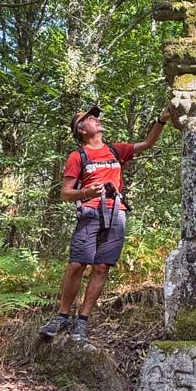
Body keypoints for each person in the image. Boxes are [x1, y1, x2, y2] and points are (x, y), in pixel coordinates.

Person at [39, 105, 169, 341]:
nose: (97, 120)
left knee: (101, 267)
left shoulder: (115, 150)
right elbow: (65, 193)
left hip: (116, 213)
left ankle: (82, 321)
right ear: (81, 129)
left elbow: (148, 143)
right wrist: (87, 192)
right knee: (77, 264)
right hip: (89, 213)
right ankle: (62, 316)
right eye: (91, 118)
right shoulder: (78, 156)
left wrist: (162, 119)